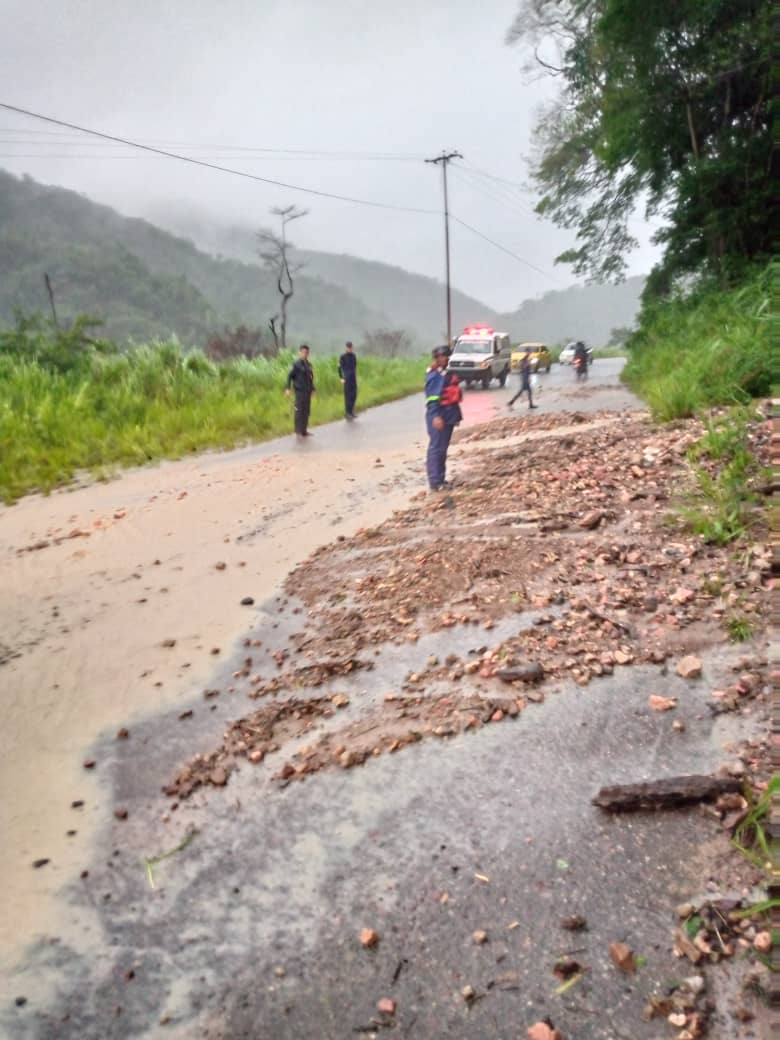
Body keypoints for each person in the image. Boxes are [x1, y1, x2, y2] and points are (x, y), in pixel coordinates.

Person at [425, 345, 463, 491]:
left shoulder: (446, 374)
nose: (445, 358)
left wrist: (456, 417)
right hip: (438, 416)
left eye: (446, 356)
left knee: (443, 448)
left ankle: (440, 479)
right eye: (442, 356)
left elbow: (453, 399)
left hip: (448, 415)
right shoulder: (435, 376)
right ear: (436, 358)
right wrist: (436, 417)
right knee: (437, 448)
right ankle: (435, 481)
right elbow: (432, 399)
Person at [285, 344, 315, 438]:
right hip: (299, 391)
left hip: (307, 391)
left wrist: (313, 389)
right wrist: (288, 388)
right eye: (303, 352)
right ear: (300, 353)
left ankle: (304, 430)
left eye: (307, 352)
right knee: (299, 411)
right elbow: (290, 376)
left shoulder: (309, 365)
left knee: (306, 411)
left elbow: (311, 378)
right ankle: (298, 431)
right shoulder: (296, 364)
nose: (305, 354)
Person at [338, 340, 358, 419]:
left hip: (353, 378)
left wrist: (356, 377)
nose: (350, 349)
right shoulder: (343, 356)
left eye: (351, 347)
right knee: (348, 396)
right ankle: (348, 413)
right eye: (348, 347)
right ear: (346, 348)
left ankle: (352, 411)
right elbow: (339, 368)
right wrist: (341, 378)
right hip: (346, 378)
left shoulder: (353, 356)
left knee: (354, 395)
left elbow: (355, 367)